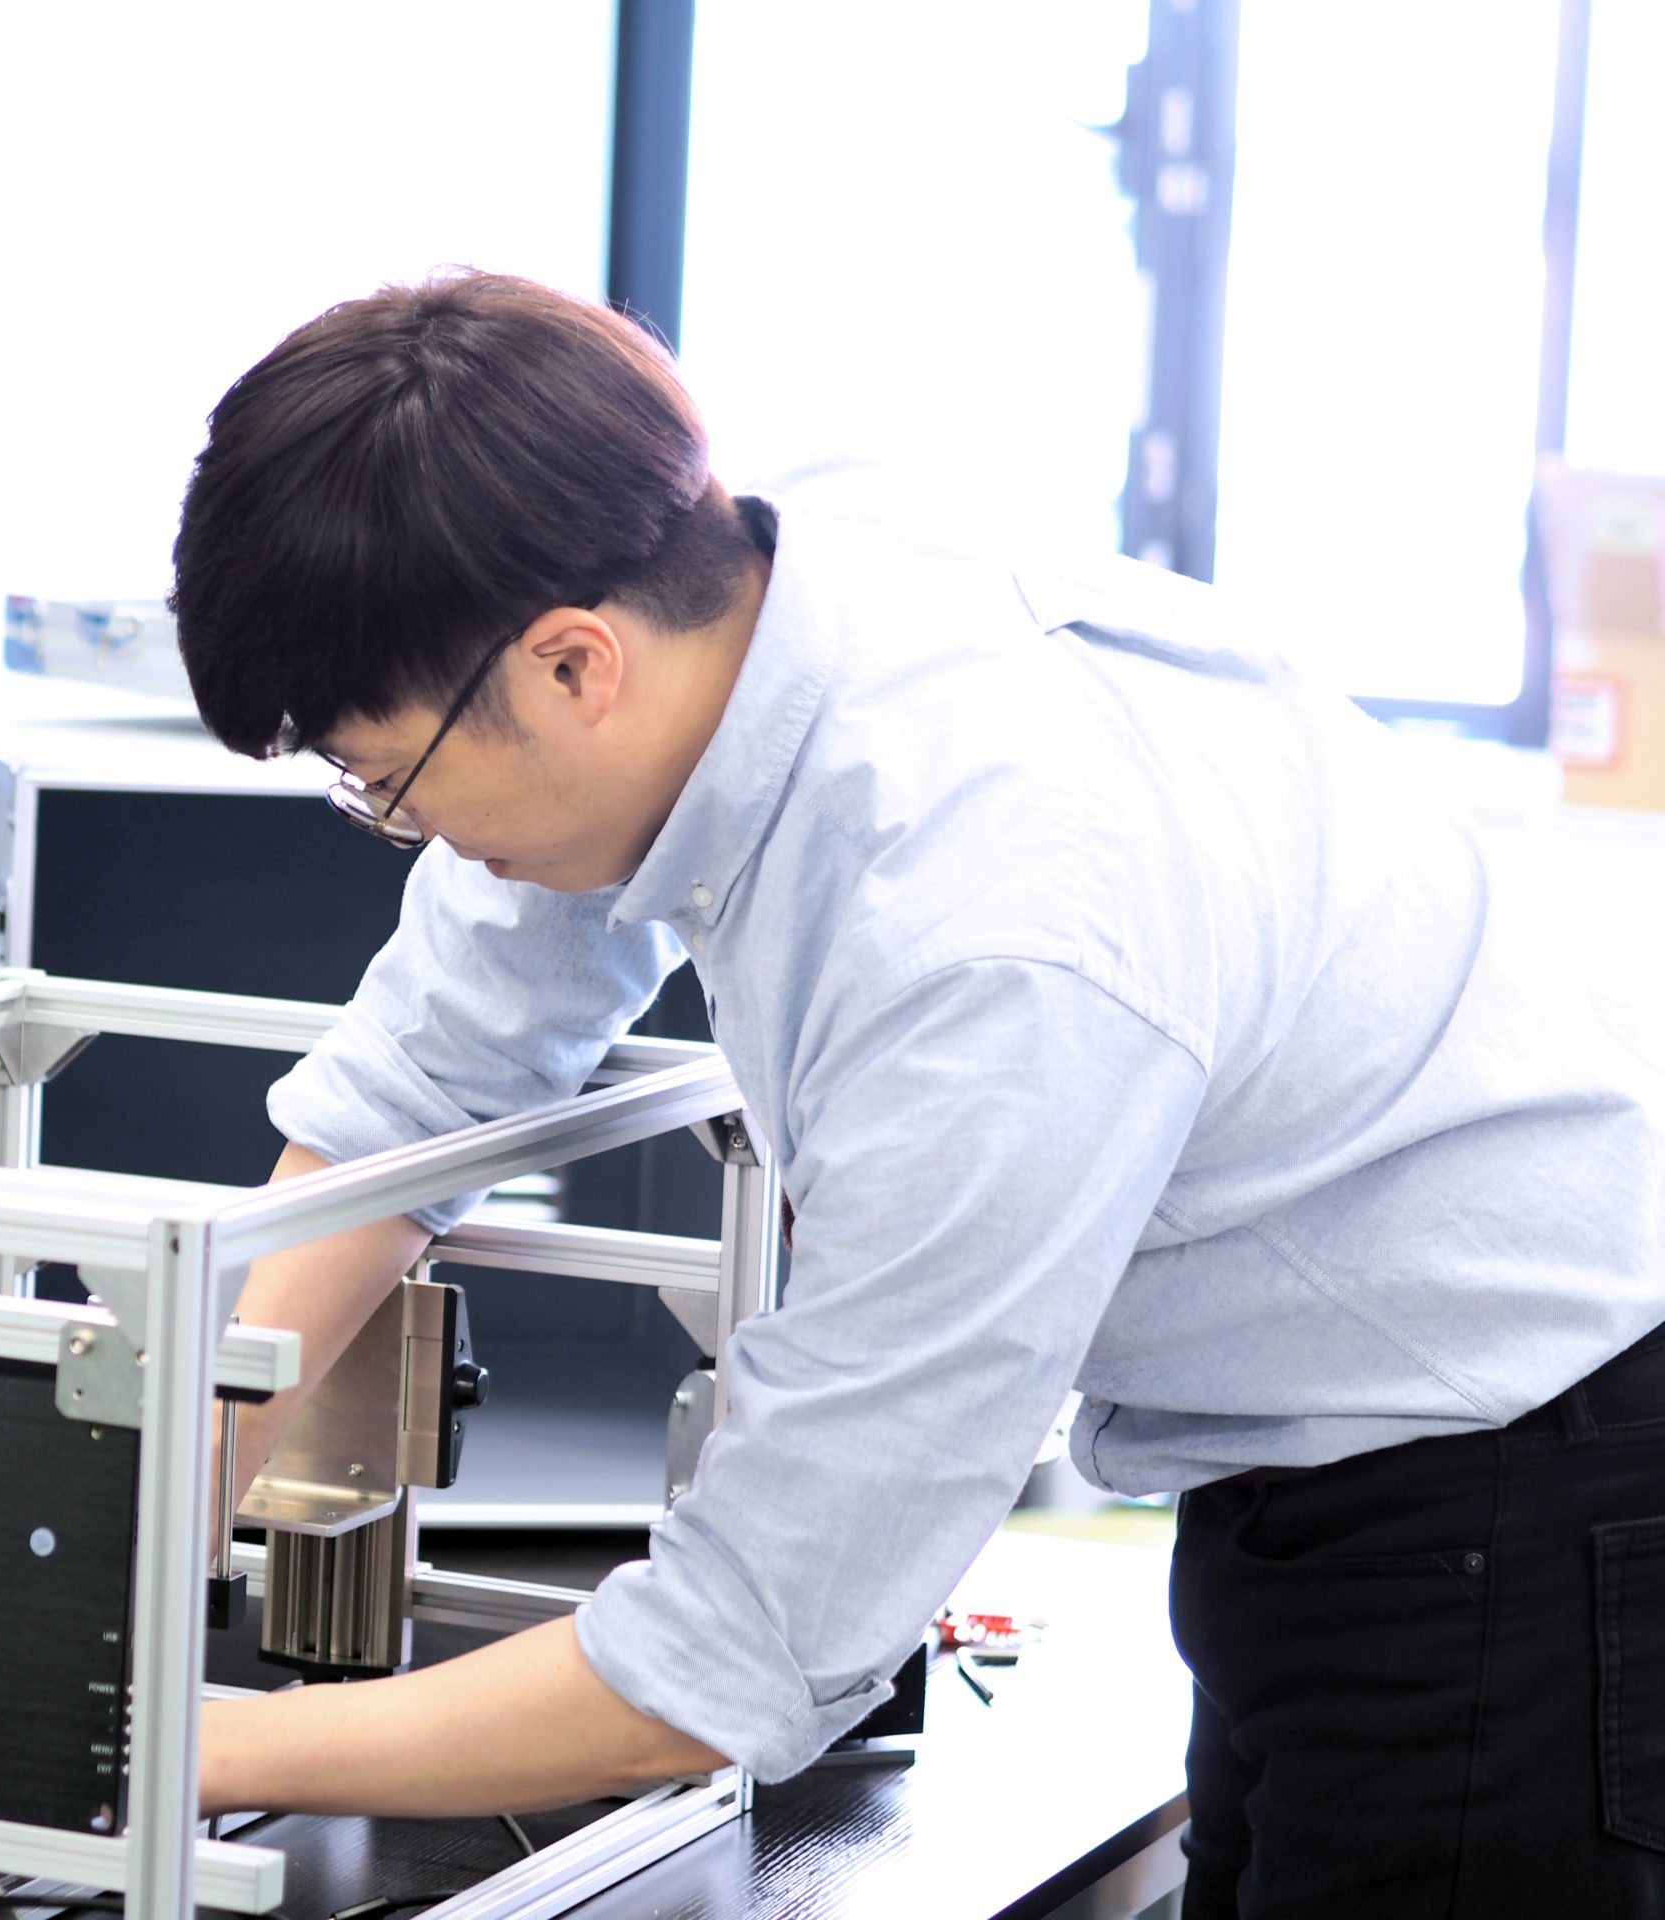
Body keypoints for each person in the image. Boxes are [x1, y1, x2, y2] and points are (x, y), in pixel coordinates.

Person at [167, 270, 1665, 1917]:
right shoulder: (736, 585)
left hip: (1519, 1505)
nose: (417, 837)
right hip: (1334, 1473)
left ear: (573, 666)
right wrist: (158, 1511)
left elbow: (734, 1656)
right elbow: (431, 1071)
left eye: (393, 787)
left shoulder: (987, 933)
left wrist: (178, 1751)